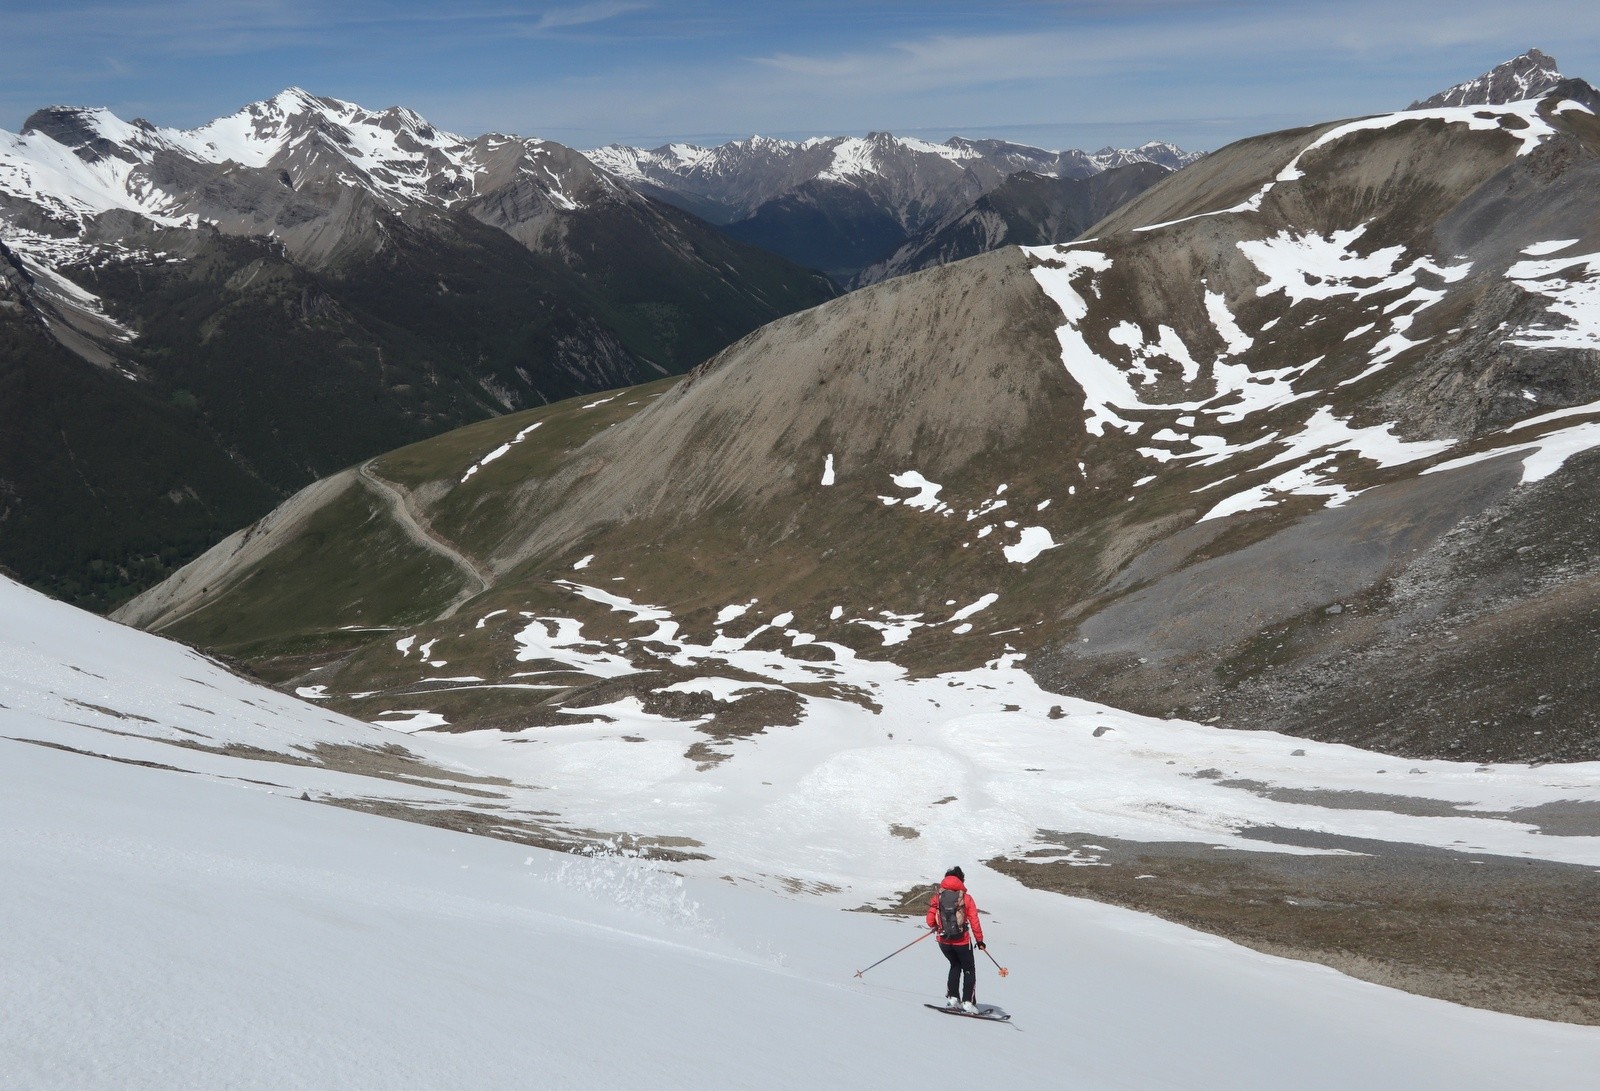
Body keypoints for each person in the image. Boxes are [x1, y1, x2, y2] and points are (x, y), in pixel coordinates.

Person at [926, 865, 985, 1012]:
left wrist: (936, 926)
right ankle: (967, 1003)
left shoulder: (938, 896)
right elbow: (974, 920)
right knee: (969, 969)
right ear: (961, 880)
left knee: (954, 965)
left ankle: (952, 999)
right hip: (962, 941)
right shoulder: (966, 898)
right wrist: (980, 941)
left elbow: (929, 919)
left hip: (944, 941)